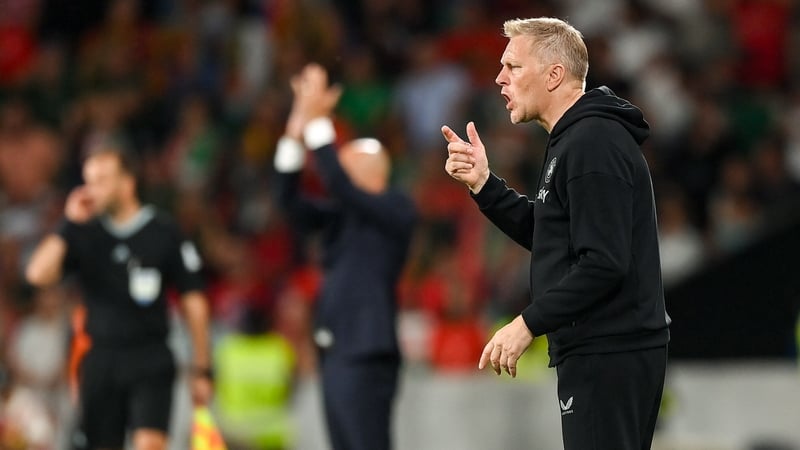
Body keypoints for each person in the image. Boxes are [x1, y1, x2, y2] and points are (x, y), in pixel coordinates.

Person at [442, 17, 670, 450]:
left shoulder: (592, 142)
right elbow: (555, 237)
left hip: (609, 350)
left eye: (513, 66)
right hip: (603, 348)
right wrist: (484, 185)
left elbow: (604, 262)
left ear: (554, 75)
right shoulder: (575, 140)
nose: (499, 77)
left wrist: (527, 324)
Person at [25, 142, 213, 450]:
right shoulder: (84, 231)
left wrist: (202, 367)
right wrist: (68, 223)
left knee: (150, 444)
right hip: (101, 358)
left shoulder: (163, 232)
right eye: (88, 181)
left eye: (101, 180)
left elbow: (194, 301)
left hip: (149, 356)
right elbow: (37, 274)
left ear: (127, 183)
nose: (91, 190)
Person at [273, 63, 416, 450]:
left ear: (371, 173)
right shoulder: (341, 216)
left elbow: (334, 179)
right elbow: (287, 201)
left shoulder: (396, 208)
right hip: (335, 351)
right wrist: (296, 124)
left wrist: (318, 120)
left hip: (367, 350)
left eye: (345, 164)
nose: (332, 174)